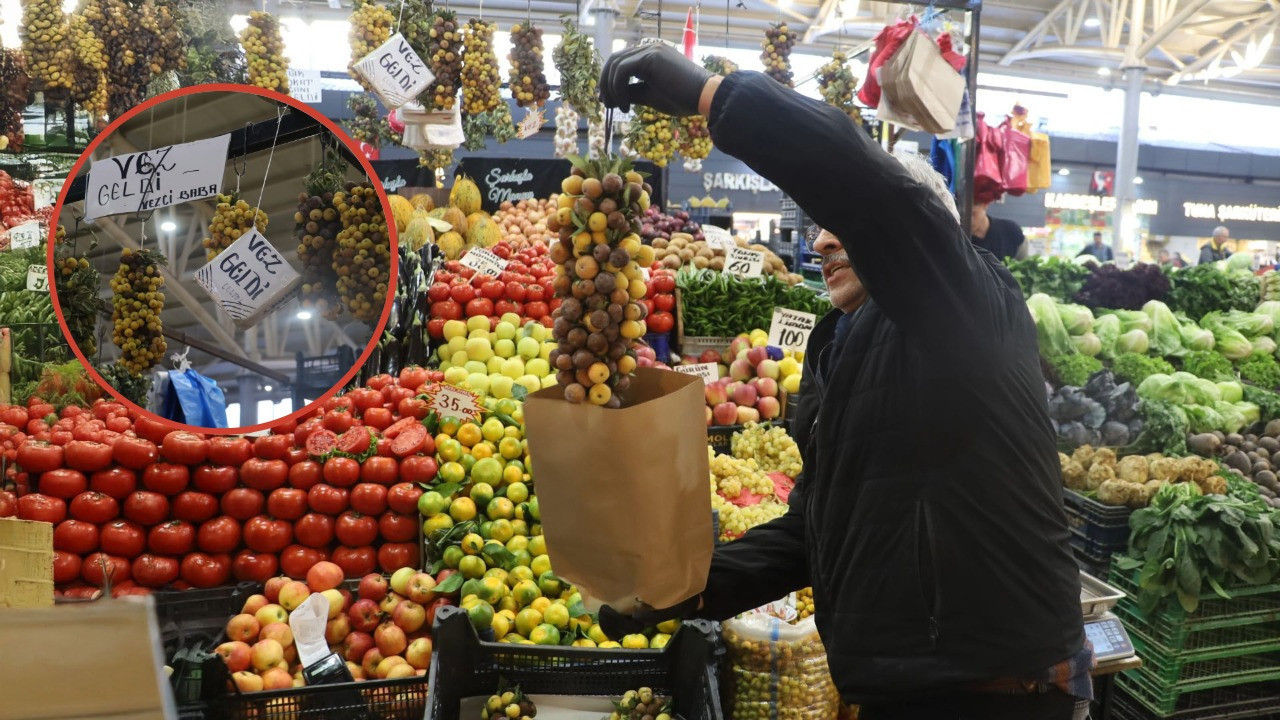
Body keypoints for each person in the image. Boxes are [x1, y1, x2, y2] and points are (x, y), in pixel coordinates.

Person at [597, 44, 1090, 720]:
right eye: (819, 229)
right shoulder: (843, 348)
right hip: (898, 683)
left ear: (918, 241)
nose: (822, 242)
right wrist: (683, 587)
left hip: (993, 687)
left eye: (843, 227)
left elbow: (878, 198)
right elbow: (818, 530)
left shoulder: (969, 309)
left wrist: (716, 97)